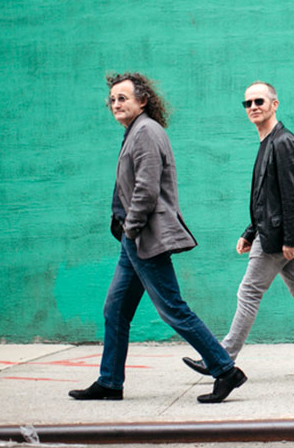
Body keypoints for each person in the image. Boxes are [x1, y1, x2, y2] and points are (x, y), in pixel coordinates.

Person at [70, 72, 246, 404]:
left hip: (143, 238)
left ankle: (225, 370)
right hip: (133, 241)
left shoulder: (147, 131)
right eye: (112, 99)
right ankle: (110, 382)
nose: (116, 104)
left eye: (123, 98)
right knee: (115, 310)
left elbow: (146, 188)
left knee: (172, 308)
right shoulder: (136, 131)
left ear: (143, 101)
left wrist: (131, 228)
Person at [182, 82, 294, 379]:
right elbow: (265, 197)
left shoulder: (284, 142)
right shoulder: (268, 142)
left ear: (274, 104)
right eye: (248, 103)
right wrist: (249, 232)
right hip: (272, 233)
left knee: (249, 292)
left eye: (259, 101)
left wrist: (290, 239)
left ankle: (220, 359)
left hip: (277, 237)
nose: (253, 107)